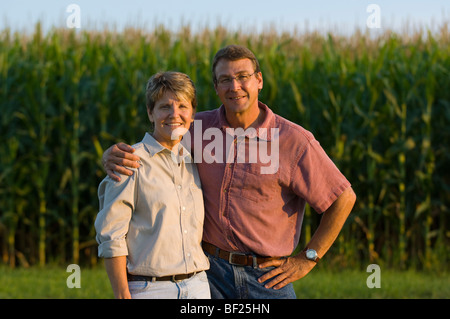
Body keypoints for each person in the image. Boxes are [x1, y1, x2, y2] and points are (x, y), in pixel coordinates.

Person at [102, 45, 356, 299]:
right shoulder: (195, 128)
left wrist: (309, 257)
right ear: (216, 87)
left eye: (243, 76)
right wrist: (111, 156)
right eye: (225, 79)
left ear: (259, 80)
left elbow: (343, 198)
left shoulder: (292, 140)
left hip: (267, 279)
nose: (234, 86)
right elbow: (159, 142)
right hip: (209, 275)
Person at [95, 71, 210, 299]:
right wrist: (122, 294)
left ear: (193, 113)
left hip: (198, 286)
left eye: (182, 106)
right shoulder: (130, 161)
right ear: (150, 112)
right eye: (165, 107)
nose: (174, 115)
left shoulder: (196, 162)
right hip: (151, 290)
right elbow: (112, 235)